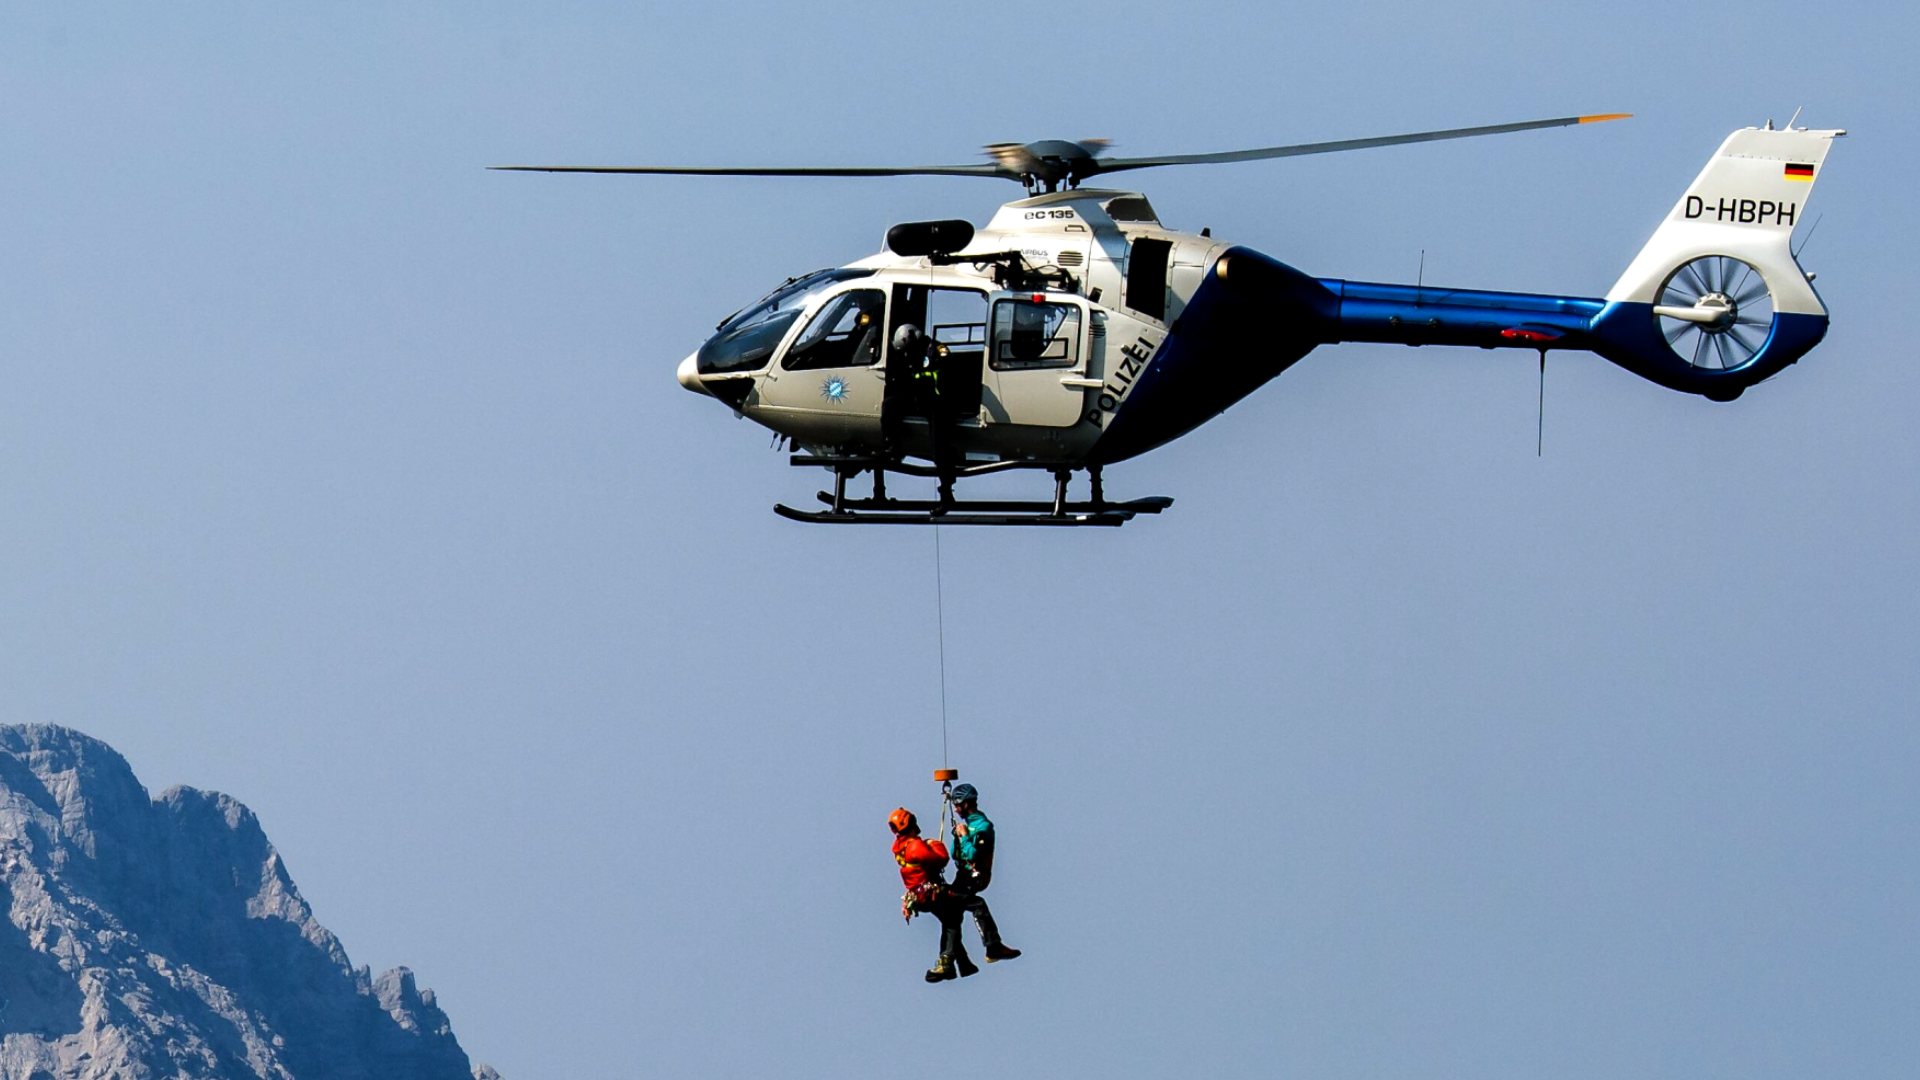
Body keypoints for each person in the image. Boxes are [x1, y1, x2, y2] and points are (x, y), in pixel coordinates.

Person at [888, 807, 976, 982]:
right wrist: (936, 846)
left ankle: (962, 963)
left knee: (951, 920)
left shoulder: (901, 849)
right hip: (931, 893)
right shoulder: (914, 846)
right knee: (955, 918)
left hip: (921, 895)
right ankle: (949, 962)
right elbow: (940, 859)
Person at [882, 324, 956, 507]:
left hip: (938, 401)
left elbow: (947, 368)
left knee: (938, 443)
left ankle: (946, 490)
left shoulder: (937, 350)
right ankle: (893, 447)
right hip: (918, 400)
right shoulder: (907, 356)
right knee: (889, 405)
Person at [947, 784, 1020, 962]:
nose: (955, 809)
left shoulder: (983, 827)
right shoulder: (967, 825)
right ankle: (953, 958)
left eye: (957, 805)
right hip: (962, 878)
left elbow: (973, 855)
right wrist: (958, 838)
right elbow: (954, 854)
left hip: (975, 878)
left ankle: (991, 946)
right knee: (952, 916)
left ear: (967, 804)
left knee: (974, 906)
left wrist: (963, 837)